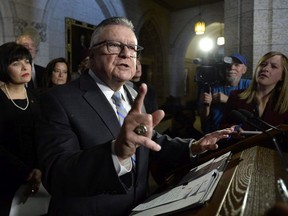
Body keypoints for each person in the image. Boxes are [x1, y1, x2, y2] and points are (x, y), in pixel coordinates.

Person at [35, 17, 234, 216]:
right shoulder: (57, 99)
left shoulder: (132, 93)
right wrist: (116, 153)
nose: (125, 54)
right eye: (114, 45)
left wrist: (193, 146)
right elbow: (56, 174)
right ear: (92, 53)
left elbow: (149, 141)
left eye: (132, 48)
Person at [0, 42, 42, 215]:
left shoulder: (39, 97)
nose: (25, 66)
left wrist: (40, 169)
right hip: (7, 178)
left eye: (27, 60)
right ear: (3, 67)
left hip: (41, 175)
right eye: (16, 63)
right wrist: (26, 172)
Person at [221, 51, 288, 131]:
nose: (265, 69)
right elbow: (222, 127)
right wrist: (232, 129)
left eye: (273, 66)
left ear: (283, 76)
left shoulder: (285, 104)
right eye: (263, 64)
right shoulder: (236, 96)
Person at [198, 53, 251, 134]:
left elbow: (250, 111)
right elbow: (204, 119)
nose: (231, 67)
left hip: (238, 134)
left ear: (244, 70)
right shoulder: (211, 87)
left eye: (236, 65)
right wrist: (206, 106)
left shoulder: (249, 85)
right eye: (228, 65)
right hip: (215, 134)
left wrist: (227, 99)